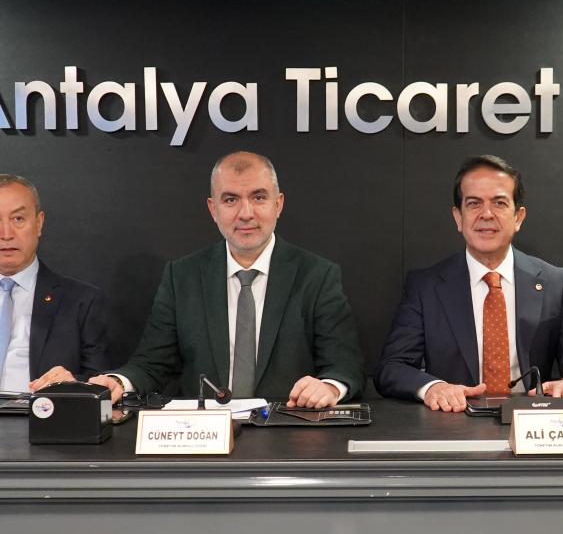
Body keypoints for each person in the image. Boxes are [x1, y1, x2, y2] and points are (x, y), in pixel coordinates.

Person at [90, 151, 364, 407]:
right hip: (204, 433)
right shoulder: (182, 276)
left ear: (278, 204)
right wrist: (118, 382)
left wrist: (329, 387)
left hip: (287, 427)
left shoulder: (317, 275)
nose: (246, 213)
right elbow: (152, 363)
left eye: (258, 197)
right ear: (213, 209)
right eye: (231, 200)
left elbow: (345, 365)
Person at [374, 155, 563, 412]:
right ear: (458, 218)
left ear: (518, 217)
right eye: (474, 204)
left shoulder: (554, 282)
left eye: (499, 203)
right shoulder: (425, 287)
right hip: (453, 422)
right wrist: (433, 388)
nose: (486, 214)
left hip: (530, 422)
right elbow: (392, 367)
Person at [0, 174, 108, 393]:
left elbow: (101, 384)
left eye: (18, 219)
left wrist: (71, 384)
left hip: (42, 412)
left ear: (39, 223)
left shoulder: (81, 301)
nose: (6, 234)